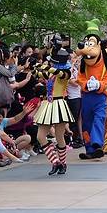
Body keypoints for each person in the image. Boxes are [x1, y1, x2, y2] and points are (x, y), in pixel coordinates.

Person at [32, 46, 74, 175]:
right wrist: (35, 67)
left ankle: (63, 163)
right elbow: (36, 74)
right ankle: (55, 162)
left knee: (59, 135)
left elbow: (58, 73)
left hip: (59, 104)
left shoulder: (66, 73)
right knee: (40, 136)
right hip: (48, 104)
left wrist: (43, 66)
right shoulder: (50, 73)